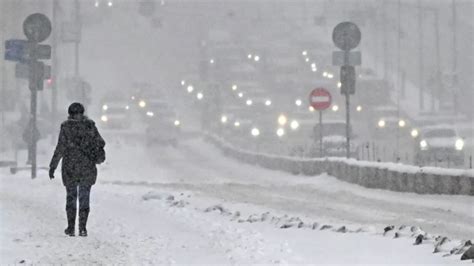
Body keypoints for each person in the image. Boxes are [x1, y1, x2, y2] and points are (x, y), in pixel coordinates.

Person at [49, 102, 105, 237]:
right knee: (84, 199)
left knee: (71, 198)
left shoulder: (66, 127)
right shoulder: (90, 126)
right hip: (87, 168)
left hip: (70, 168)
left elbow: (60, 147)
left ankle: (71, 227)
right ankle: (82, 228)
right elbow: (100, 143)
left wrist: (53, 166)